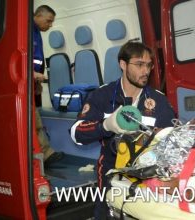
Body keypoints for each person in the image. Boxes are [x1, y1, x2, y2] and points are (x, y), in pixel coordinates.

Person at [70, 41, 176, 219]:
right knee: (106, 214)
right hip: (111, 173)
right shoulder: (102, 95)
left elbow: (171, 141)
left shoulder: (158, 100)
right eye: (139, 65)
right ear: (123, 64)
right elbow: (76, 133)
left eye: (149, 65)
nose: (146, 71)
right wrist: (105, 125)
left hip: (147, 176)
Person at [33, 5, 64, 166]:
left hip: (32, 83)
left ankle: (44, 153)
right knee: (34, 120)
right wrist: (32, 74)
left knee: (35, 117)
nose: (50, 25)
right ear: (38, 16)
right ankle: (45, 154)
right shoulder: (27, 31)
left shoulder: (35, 32)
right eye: (48, 21)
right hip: (27, 80)